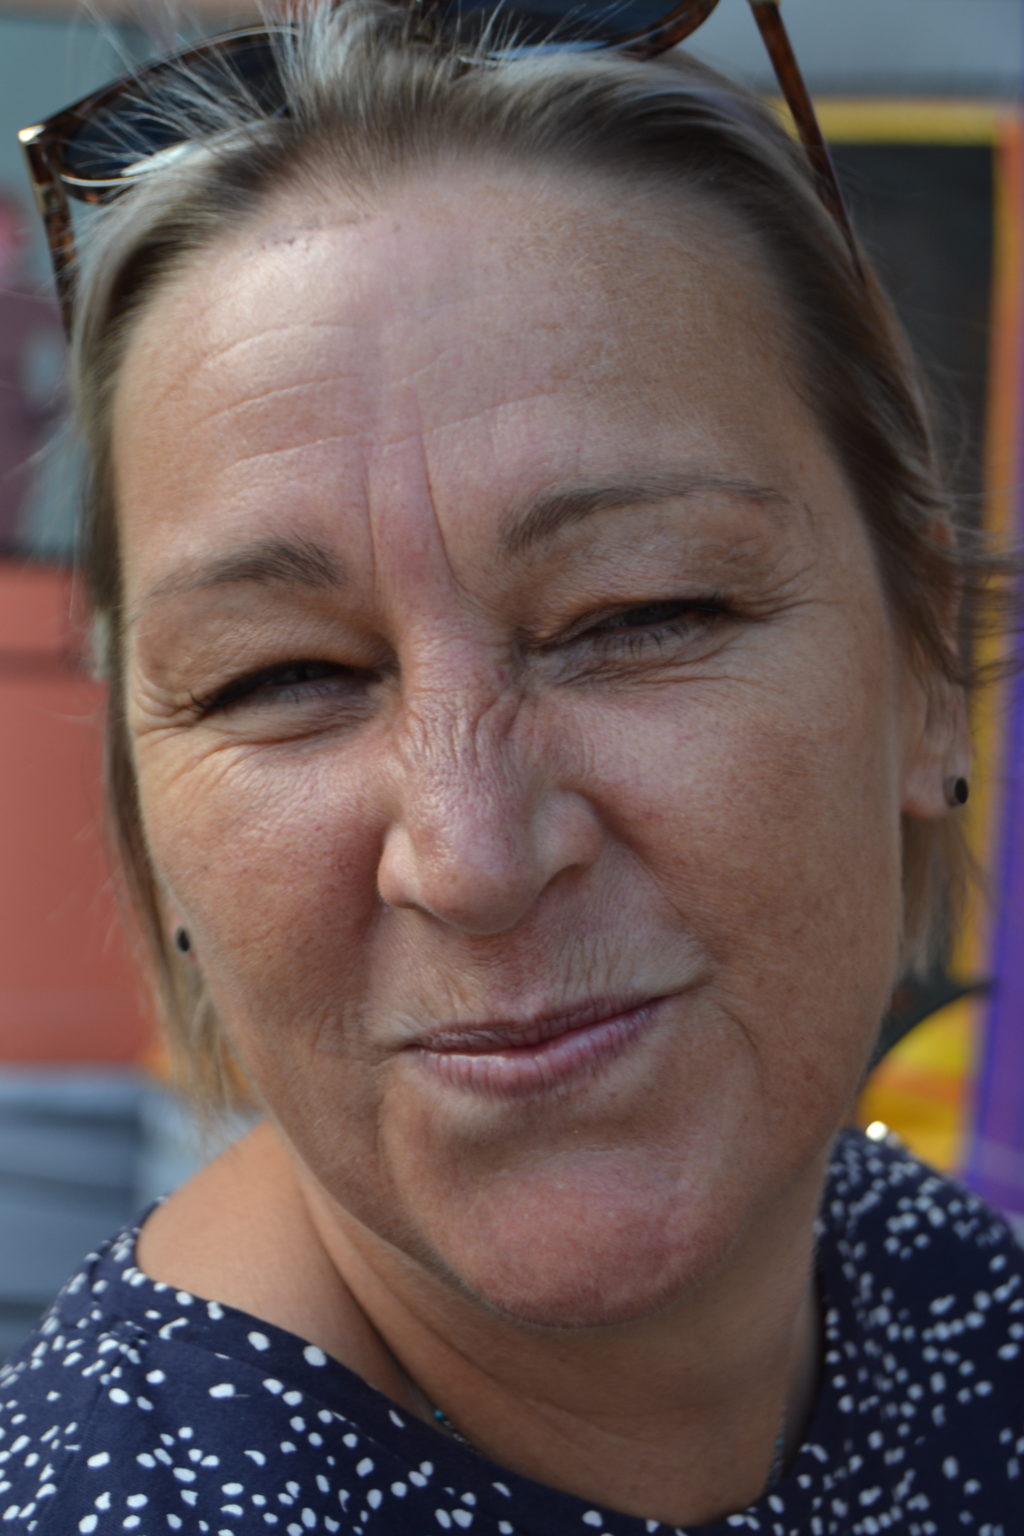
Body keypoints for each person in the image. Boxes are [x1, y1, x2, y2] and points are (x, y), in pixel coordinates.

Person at [3, 1, 1022, 1531]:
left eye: (639, 614)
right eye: (282, 677)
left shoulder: (934, 1294)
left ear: (925, 668)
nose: (471, 855)